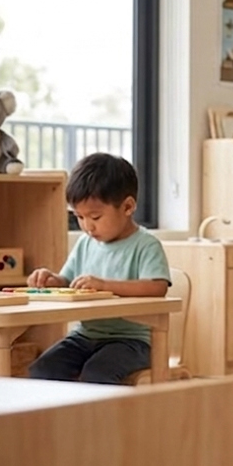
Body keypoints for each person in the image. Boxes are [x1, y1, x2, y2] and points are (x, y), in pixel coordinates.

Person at [27, 153, 170, 384]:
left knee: (97, 374)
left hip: (132, 340)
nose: (87, 226)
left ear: (128, 206)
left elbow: (157, 287)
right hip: (85, 335)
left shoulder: (146, 244)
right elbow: (66, 280)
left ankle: (98, 421)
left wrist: (104, 286)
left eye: (95, 216)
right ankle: (60, 420)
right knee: (42, 370)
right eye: (79, 217)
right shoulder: (86, 243)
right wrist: (49, 279)